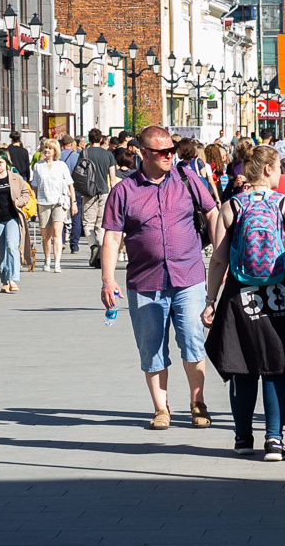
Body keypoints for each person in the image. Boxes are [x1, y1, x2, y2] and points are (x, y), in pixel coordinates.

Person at [201, 145, 285, 461]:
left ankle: (243, 437)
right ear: (271, 169)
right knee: (277, 366)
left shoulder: (232, 206)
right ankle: (274, 439)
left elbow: (219, 259)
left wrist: (210, 300)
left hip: (239, 295)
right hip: (281, 295)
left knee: (242, 368)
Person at [100, 125, 219, 431]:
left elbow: (212, 213)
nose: (170, 156)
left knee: (193, 340)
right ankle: (161, 408)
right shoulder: (124, 191)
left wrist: (222, 252)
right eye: (162, 152)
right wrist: (108, 280)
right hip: (145, 281)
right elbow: (112, 237)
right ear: (143, 153)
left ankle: (197, 402)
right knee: (151, 348)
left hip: (189, 276)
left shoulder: (186, 177)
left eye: (172, 150)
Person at [0, 153, 32, 294]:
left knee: (12, 246)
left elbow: (26, 192)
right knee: (1, 252)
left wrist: (19, 202)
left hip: (13, 218)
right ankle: (4, 281)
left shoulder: (15, 177)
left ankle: (13, 279)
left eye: (1, 162)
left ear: (6, 163)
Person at [75, 131, 117, 267]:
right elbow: (112, 177)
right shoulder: (108, 154)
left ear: (90, 139)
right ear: (100, 139)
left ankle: (93, 246)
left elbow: (80, 172)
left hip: (88, 192)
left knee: (88, 223)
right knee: (100, 224)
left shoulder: (84, 153)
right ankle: (100, 254)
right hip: (104, 191)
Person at [31, 139, 74, 273]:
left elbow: (69, 184)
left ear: (55, 151)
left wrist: (74, 202)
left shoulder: (61, 165)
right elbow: (35, 185)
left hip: (59, 201)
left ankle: (57, 262)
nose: (47, 150)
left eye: (50, 148)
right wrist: (32, 204)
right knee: (45, 235)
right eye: (46, 148)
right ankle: (47, 259)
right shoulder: (38, 166)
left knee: (57, 232)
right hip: (43, 202)